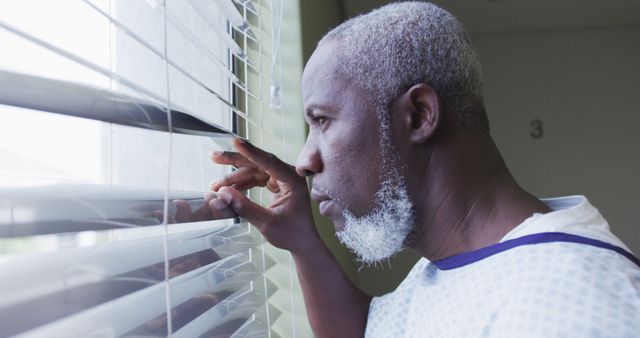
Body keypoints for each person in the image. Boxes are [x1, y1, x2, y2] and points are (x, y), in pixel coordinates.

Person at [204, 2, 640, 337]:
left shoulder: (565, 300)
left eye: (322, 121)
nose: (305, 161)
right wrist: (302, 239)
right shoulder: (466, 265)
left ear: (418, 115)